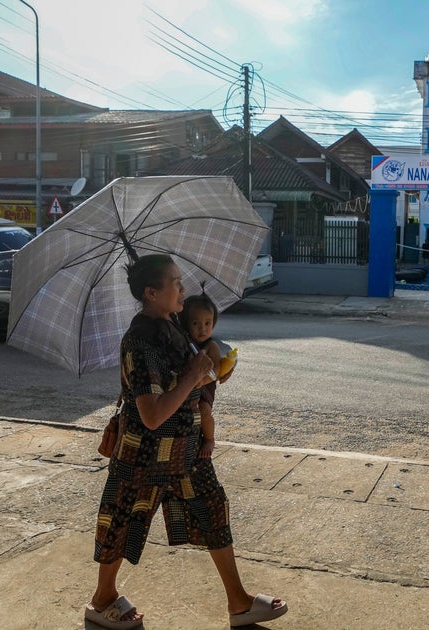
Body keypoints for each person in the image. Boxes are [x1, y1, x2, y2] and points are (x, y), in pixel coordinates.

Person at [87, 254, 287, 630]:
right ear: (151, 293)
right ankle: (102, 600)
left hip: (187, 448)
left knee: (213, 510)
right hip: (144, 453)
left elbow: (190, 379)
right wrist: (194, 374)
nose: (183, 288)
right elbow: (152, 414)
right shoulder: (140, 342)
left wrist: (210, 374)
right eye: (175, 283)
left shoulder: (173, 326)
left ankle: (239, 602)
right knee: (124, 519)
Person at [179, 292, 233, 459]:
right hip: (189, 385)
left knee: (204, 410)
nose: (202, 328)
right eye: (196, 323)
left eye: (207, 323)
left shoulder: (211, 346)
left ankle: (209, 439)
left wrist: (202, 380)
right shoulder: (185, 343)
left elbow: (215, 370)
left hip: (205, 386)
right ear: (186, 324)